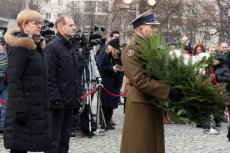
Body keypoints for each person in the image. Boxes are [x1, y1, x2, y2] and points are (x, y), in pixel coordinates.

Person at [120, 10, 182, 153]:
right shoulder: (132, 50)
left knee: (153, 145)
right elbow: (139, 80)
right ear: (141, 28)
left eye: (156, 27)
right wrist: (167, 90)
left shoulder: (151, 48)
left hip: (153, 101)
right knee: (139, 146)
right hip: (141, 104)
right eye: (152, 26)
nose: (156, 30)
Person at [3, 9, 50, 153]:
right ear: (24, 25)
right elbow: (14, 80)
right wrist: (20, 108)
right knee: (19, 147)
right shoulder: (21, 47)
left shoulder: (35, 46)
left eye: (40, 23)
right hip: (23, 109)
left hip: (35, 108)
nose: (40, 26)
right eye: (35, 23)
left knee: (25, 146)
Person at [44, 15, 81, 153]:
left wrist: (77, 99)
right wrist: (55, 100)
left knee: (64, 142)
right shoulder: (52, 47)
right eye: (70, 25)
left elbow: (74, 76)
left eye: (74, 25)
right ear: (60, 27)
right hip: (57, 104)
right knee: (53, 143)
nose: (74, 27)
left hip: (70, 103)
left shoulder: (70, 47)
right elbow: (49, 76)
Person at [97, 38, 123, 130]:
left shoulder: (118, 55)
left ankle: (107, 122)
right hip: (106, 82)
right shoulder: (104, 54)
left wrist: (120, 69)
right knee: (105, 104)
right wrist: (112, 68)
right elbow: (100, 67)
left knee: (111, 105)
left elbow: (121, 65)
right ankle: (104, 123)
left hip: (115, 82)